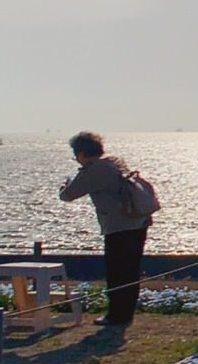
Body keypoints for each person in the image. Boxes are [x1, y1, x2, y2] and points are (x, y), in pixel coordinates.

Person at [59, 132, 152, 328]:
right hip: (138, 222)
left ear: (82, 153)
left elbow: (69, 195)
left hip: (119, 227)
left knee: (117, 272)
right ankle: (125, 314)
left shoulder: (95, 170)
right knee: (130, 271)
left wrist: (64, 186)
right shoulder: (115, 162)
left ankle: (116, 316)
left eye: (76, 155)